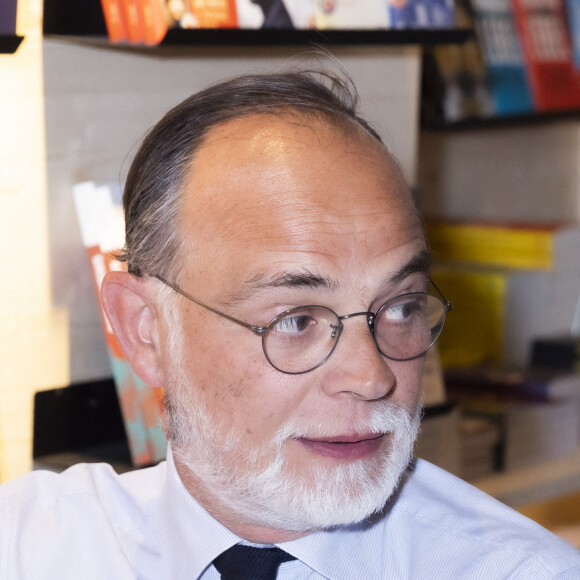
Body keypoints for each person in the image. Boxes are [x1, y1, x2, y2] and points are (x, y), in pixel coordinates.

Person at [1, 70, 579, 579]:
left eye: (400, 308)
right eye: (297, 319)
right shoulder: (28, 548)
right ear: (146, 329)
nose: (372, 376)